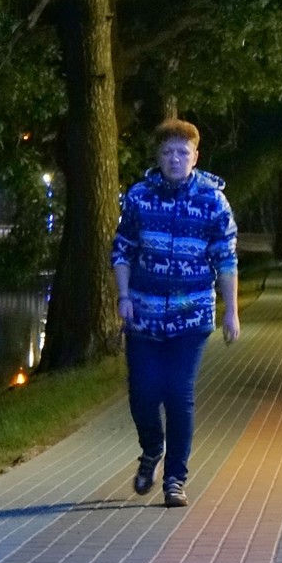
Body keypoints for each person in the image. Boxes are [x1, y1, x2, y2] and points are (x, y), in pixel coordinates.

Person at [112, 119, 240, 508]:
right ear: (158, 156)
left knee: (178, 393)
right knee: (143, 394)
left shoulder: (213, 201)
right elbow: (122, 250)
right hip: (144, 315)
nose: (174, 158)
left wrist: (231, 311)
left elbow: (226, 258)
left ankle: (175, 480)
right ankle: (152, 448)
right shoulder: (138, 197)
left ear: (195, 156)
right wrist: (123, 296)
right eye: (167, 151)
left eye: (182, 152)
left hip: (191, 316)